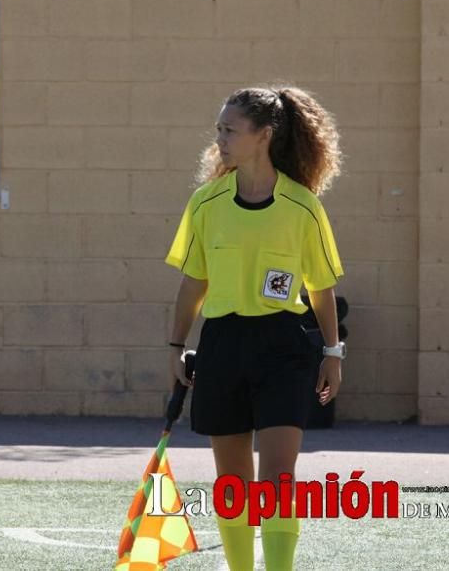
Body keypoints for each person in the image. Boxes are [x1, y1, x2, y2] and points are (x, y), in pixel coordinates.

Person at [164, 86, 345, 571]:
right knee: (233, 482)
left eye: (229, 129)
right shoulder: (206, 204)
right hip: (222, 345)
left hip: (283, 347)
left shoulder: (303, 207)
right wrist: (176, 345)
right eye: (219, 128)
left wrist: (333, 352)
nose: (219, 138)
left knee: (279, 478)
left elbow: (321, 287)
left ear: (263, 135)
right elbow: (193, 283)